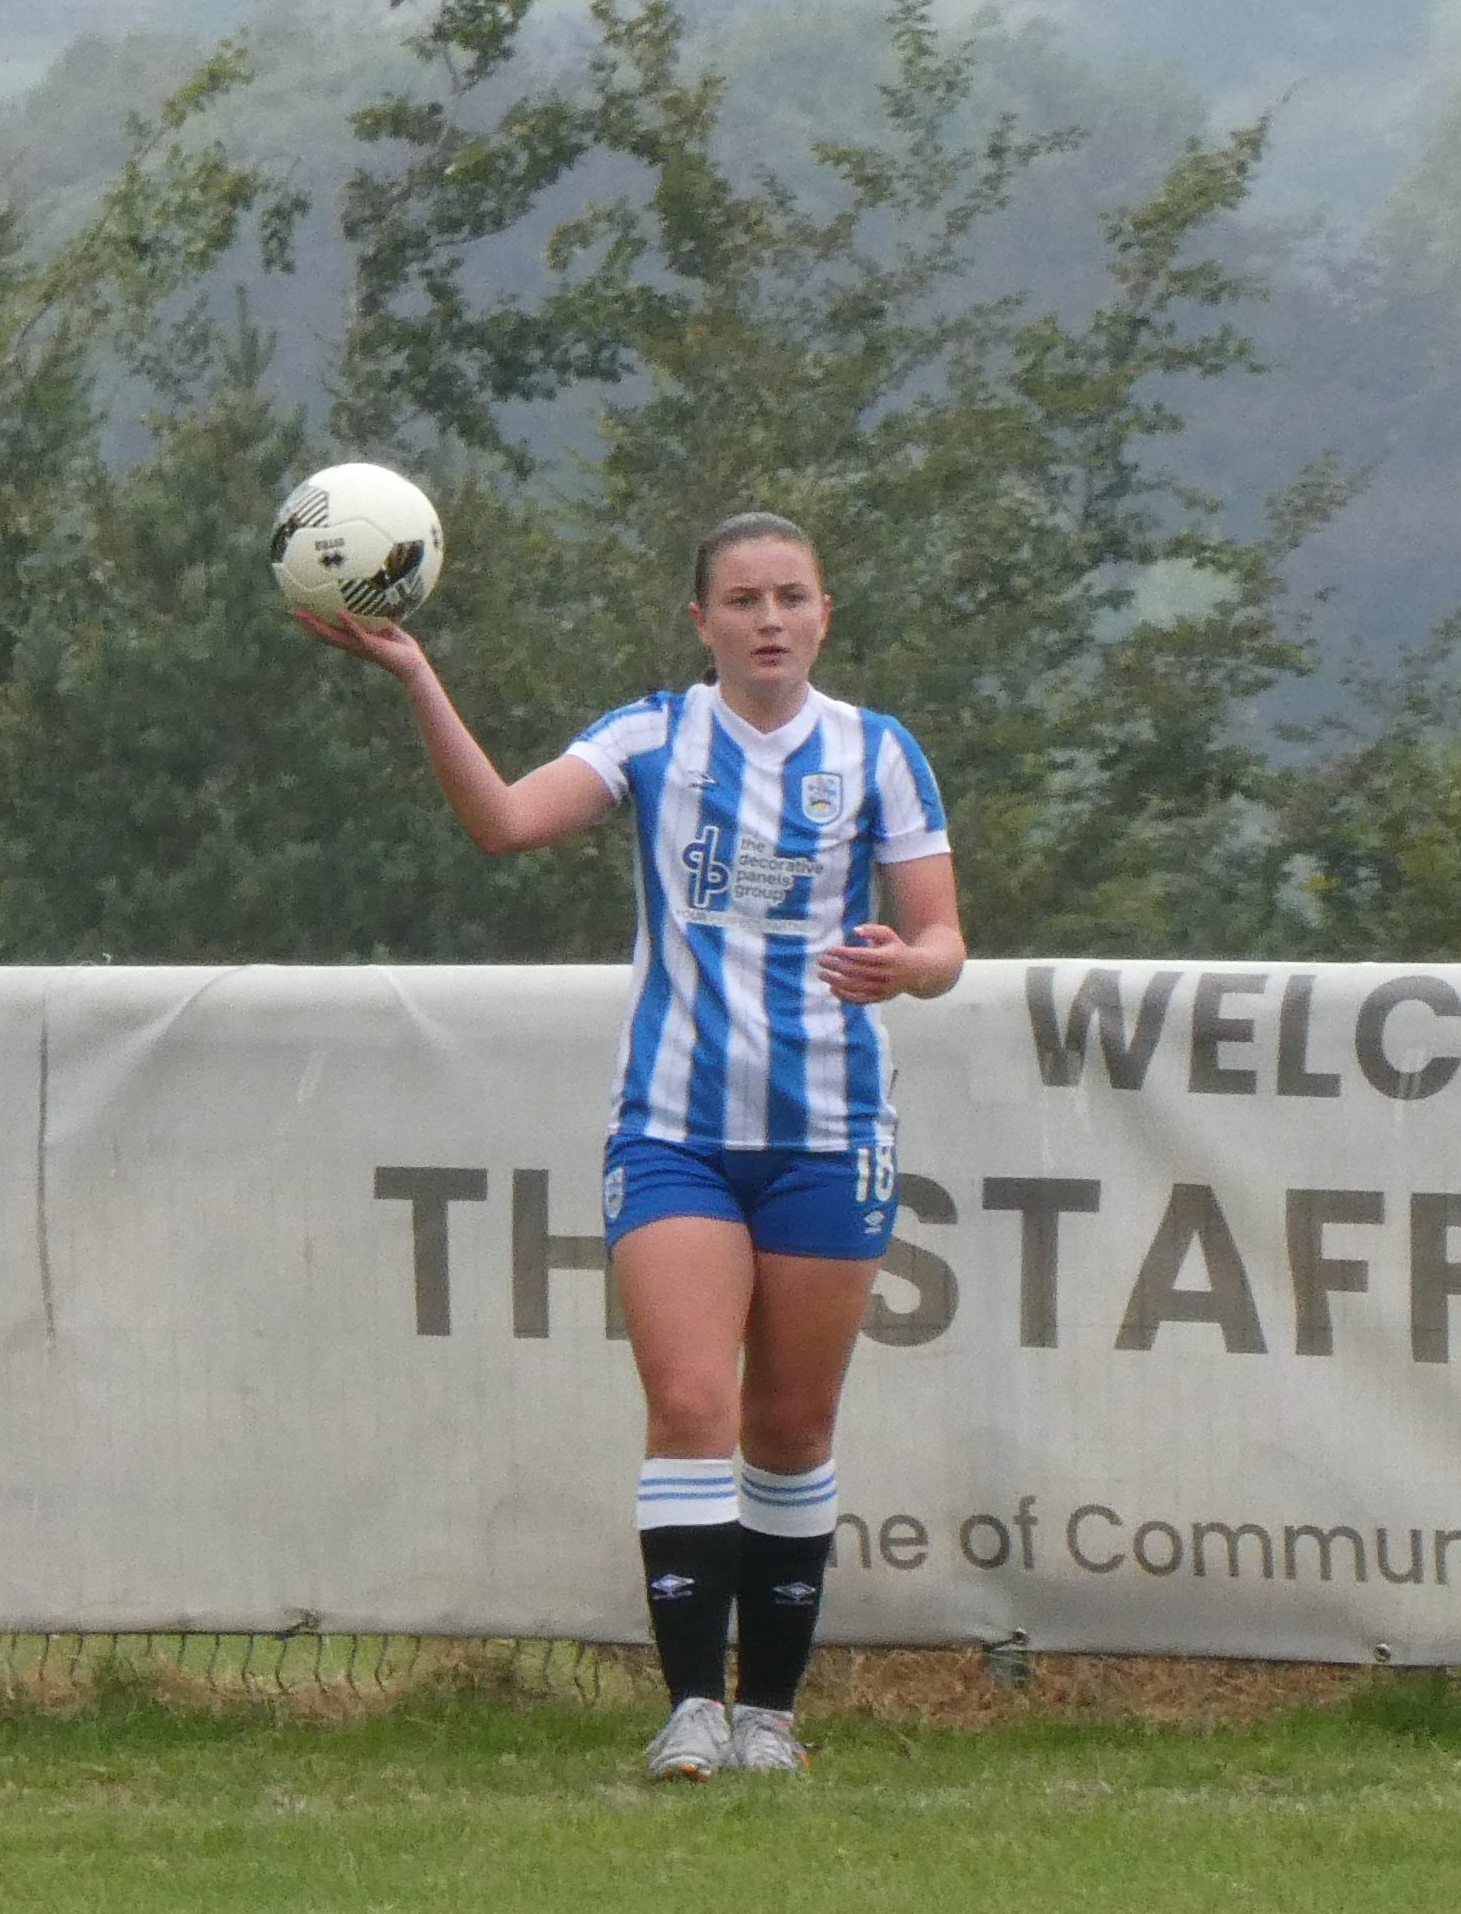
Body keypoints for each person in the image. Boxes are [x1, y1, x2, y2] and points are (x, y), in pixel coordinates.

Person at [303, 513, 965, 1777]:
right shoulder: (652, 733)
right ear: (700, 620)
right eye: (741, 600)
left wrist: (907, 966)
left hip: (829, 1130)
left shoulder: (876, 753)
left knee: (789, 1428)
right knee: (685, 1404)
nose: (767, 619)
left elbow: (940, 942)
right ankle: (691, 1712)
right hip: (673, 1129)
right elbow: (501, 822)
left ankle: (769, 1713)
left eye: (789, 597)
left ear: (824, 613)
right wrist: (419, 679)